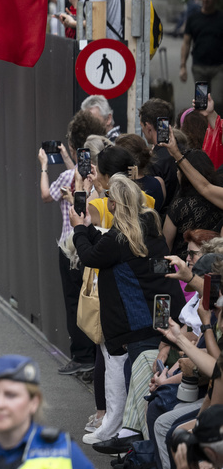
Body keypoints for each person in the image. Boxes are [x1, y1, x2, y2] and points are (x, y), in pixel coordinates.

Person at [71, 172, 183, 445]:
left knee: (137, 382)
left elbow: (90, 256)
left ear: (114, 204)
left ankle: (134, 443)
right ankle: (131, 440)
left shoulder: (120, 238)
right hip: (160, 315)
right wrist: (87, 229)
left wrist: (78, 229)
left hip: (136, 324)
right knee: (146, 382)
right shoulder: (150, 228)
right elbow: (150, 270)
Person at [42, 111, 106, 377]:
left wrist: (44, 166)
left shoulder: (74, 178)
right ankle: (92, 358)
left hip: (74, 247)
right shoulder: (104, 182)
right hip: (95, 245)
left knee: (76, 302)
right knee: (91, 301)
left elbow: (47, 195)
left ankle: (82, 356)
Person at [184, 0, 223, 103]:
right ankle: (202, 116)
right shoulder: (193, 18)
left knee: (218, 101)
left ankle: (217, 116)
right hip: (199, 67)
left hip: (218, 67)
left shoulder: (221, 18)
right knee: (201, 101)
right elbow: (186, 43)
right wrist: (182, 66)